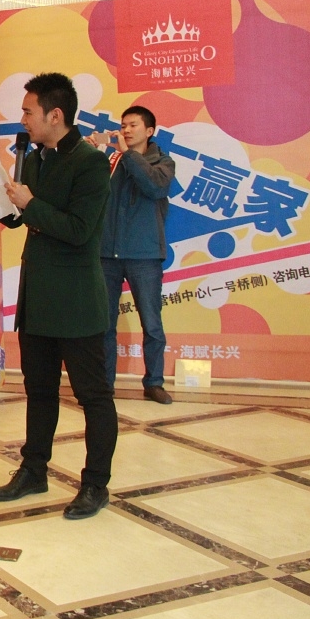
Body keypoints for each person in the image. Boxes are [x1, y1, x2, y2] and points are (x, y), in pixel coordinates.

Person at [0, 71, 115, 520]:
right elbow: (17, 218)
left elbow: (79, 231)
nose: (22, 120)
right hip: (38, 296)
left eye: (28, 111)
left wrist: (30, 203)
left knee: (93, 396)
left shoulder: (90, 163)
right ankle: (33, 470)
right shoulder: (36, 158)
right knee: (39, 391)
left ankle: (95, 484)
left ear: (54, 115)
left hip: (77, 301)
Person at [87, 106, 176, 405]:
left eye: (133, 125)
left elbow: (154, 186)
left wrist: (127, 155)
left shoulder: (163, 163)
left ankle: (154, 382)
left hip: (145, 255)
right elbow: (90, 193)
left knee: (151, 323)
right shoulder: (110, 161)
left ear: (149, 131)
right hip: (106, 255)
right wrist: (92, 154)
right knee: (104, 324)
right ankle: (104, 385)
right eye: (123, 125)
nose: (125, 130)